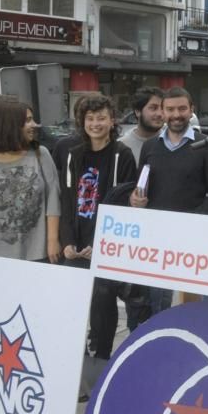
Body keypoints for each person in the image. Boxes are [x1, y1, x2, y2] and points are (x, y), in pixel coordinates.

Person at [58, 94, 141, 359]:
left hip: (105, 244)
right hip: (76, 245)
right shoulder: (73, 155)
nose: (95, 123)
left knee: (103, 301)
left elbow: (124, 207)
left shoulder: (122, 155)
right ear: (82, 122)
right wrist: (67, 242)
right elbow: (67, 201)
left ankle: (102, 356)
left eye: (101, 118)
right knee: (72, 305)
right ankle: (75, 361)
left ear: (112, 120)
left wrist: (101, 245)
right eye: (90, 118)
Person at [130, 87, 208, 313]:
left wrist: (192, 221)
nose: (176, 114)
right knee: (157, 304)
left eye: (182, 108)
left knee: (191, 307)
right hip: (156, 241)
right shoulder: (150, 146)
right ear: (162, 112)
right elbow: (141, 186)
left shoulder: (206, 145)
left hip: (193, 241)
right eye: (170, 109)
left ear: (191, 110)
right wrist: (136, 199)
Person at [0, 101, 61, 263]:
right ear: (9, 125)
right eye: (27, 120)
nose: (34, 125)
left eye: (32, 119)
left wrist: (52, 241)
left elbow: (53, 199)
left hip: (38, 254)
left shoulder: (41, 154)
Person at [118, 87, 165, 164]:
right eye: (153, 108)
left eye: (163, 108)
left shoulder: (172, 144)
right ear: (138, 111)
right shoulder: (121, 146)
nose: (160, 114)